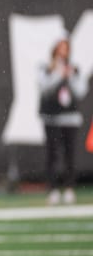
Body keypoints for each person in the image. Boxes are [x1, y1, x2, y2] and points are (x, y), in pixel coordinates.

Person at [37, 38, 88, 205]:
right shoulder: (46, 68)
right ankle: (52, 189)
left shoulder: (74, 69)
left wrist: (70, 75)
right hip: (51, 118)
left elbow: (81, 91)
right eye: (60, 48)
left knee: (69, 155)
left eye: (65, 49)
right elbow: (44, 89)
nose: (62, 52)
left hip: (70, 118)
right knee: (52, 155)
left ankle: (69, 188)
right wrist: (59, 74)